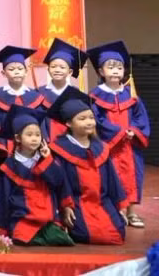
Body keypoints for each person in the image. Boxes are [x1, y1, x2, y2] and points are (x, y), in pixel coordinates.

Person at [48, 88, 127, 245]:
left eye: (91, 117)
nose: (89, 122)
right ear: (69, 123)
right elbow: (60, 183)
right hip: (76, 202)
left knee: (118, 232)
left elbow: (113, 181)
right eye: (82, 119)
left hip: (102, 202)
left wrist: (120, 206)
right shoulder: (59, 149)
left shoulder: (101, 148)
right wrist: (65, 207)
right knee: (84, 233)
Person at [0, 105, 74, 246]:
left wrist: (48, 160)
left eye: (38, 135)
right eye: (29, 134)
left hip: (48, 220)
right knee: (24, 239)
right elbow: (1, 201)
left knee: (63, 240)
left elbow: (58, 182)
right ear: (18, 138)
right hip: (23, 220)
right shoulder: (9, 167)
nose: (35, 139)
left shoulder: (46, 160)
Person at [87, 40, 150, 229]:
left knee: (133, 177)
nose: (115, 71)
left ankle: (131, 212)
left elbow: (141, 117)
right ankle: (116, 211)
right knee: (111, 177)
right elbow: (95, 119)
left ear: (124, 72)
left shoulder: (131, 95)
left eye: (119, 67)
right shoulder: (95, 96)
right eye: (111, 67)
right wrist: (118, 132)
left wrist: (134, 131)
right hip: (109, 145)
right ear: (100, 72)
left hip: (130, 146)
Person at [0, 46, 42, 158]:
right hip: (5, 145)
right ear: (3, 73)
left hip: (31, 147)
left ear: (26, 72)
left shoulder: (36, 97)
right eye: (11, 69)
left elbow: (41, 123)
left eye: (20, 69)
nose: (16, 72)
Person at [37, 38, 88, 142]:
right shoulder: (39, 93)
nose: (57, 70)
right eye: (53, 66)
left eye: (62, 67)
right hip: (48, 143)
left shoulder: (76, 94)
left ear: (69, 72)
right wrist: (44, 140)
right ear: (48, 70)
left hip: (72, 142)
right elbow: (38, 120)